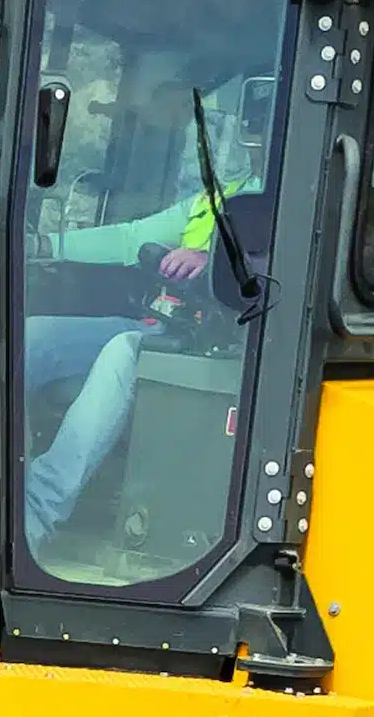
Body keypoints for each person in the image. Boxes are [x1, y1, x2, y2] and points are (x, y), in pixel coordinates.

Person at [22, 168, 263, 555]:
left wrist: (213, 262)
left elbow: (287, 265)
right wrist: (43, 244)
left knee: (124, 348)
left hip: (222, 338)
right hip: (165, 321)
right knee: (32, 336)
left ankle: (34, 514)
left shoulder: (289, 192)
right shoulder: (220, 193)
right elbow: (131, 237)